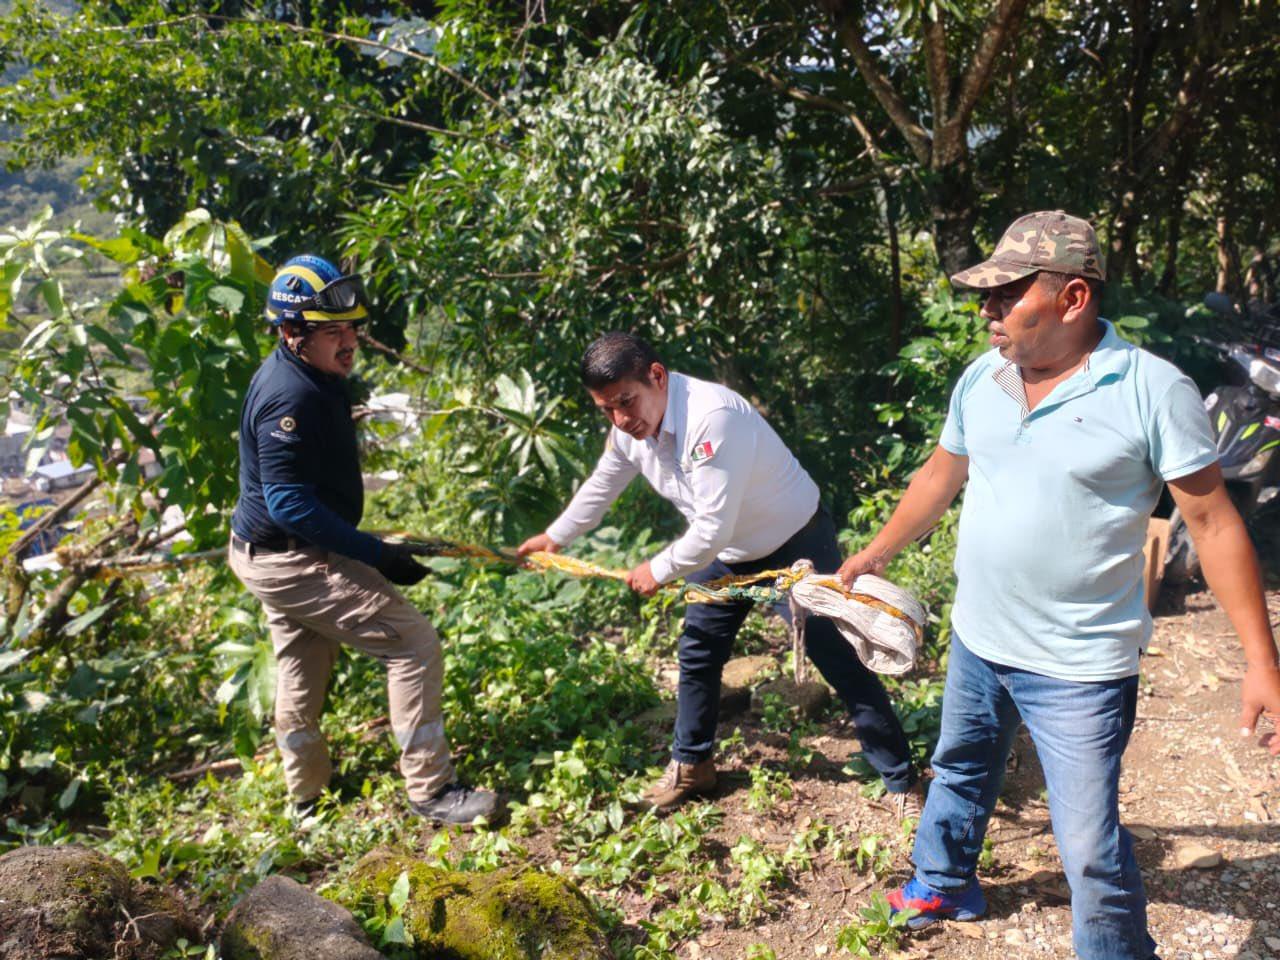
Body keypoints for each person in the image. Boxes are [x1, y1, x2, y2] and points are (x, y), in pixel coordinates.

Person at [837, 211, 1280, 958]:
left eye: (1006, 294)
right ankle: (943, 881)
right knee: (960, 766)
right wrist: (874, 553)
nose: (987, 310)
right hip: (980, 637)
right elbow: (941, 474)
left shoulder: (1150, 390)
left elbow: (1212, 523)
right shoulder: (984, 377)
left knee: (1088, 848)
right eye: (986, 294)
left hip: (1079, 665)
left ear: (1073, 298)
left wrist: (1262, 663)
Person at [517, 333, 922, 816]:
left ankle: (901, 780)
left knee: (837, 657)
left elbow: (710, 527)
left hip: (795, 543)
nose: (621, 419)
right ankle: (693, 765)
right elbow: (605, 482)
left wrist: (657, 569)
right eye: (607, 410)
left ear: (657, 376)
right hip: (728, 552)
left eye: (626, 402)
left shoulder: (711, 417)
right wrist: (556, 536)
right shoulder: (630, 431)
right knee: (699, 650)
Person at [228, 254, 498, 825]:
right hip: (290, 557)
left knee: (302, 663)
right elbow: (288, 503)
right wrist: (376, 555)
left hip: (268, 552)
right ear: (292, 332)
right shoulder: (290, 396)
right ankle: (431, 791)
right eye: (333, 333)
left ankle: (307, 796)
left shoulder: (309, 373)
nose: (349, 342)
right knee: (413, 644)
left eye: (351, 328)